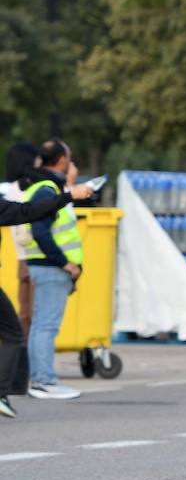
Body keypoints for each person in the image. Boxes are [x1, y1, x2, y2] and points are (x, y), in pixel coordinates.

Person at [0, 144, 91, 418]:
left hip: (35, 264)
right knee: (16, 331)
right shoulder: (45, 189)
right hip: (47, 265)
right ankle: (11, 389)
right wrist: (69, 196)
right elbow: (27, 214)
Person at [22, 140, 85, 400]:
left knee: (41, 325)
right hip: (51, 268)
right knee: (47, 325)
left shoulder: (42, 187)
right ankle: (44, 381)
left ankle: (40, 379)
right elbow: (40, 230)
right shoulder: (47, 190)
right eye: (69, 159)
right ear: (61, 160)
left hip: (43, 266)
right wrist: (64, 263)